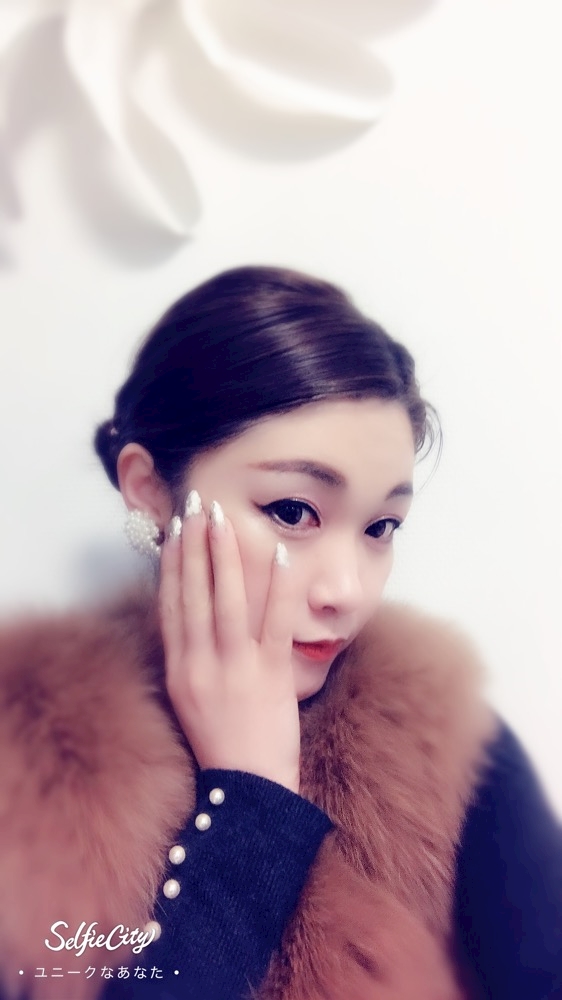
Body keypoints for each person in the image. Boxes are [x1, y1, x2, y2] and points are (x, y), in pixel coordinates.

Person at [0, 266, 560, 1000]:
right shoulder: (26, 752)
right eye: (293, 511)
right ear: (149, 488)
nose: (347, 591)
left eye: (381, 527)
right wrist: (251, 799)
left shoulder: (443, 737)